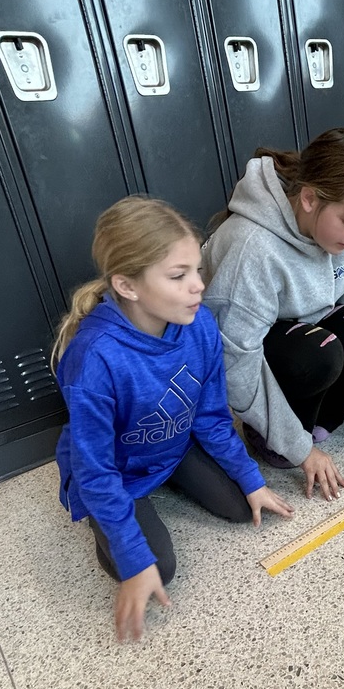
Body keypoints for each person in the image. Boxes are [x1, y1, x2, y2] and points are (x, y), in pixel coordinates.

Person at [52, 196, 293, 642]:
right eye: (179, 276)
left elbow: (212, 417)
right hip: (116, 474)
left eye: (197, 270)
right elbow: (95, 469)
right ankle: (107, 523)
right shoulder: (94, 359)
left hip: (172, 446)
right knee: (156, 567)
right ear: (127, 286)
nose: (198, 286)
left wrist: (252, 480)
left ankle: (170, 480)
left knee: (245, 508)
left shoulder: (199, 325)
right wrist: (131, 558)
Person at [202, 127, 344, 502]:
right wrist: (299, 450)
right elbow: (234, 363)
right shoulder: (254, 247)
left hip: (304, 343)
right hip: (267, 359)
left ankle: (311, 426)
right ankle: (273, 438)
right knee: (320, 352)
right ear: (310, 199)